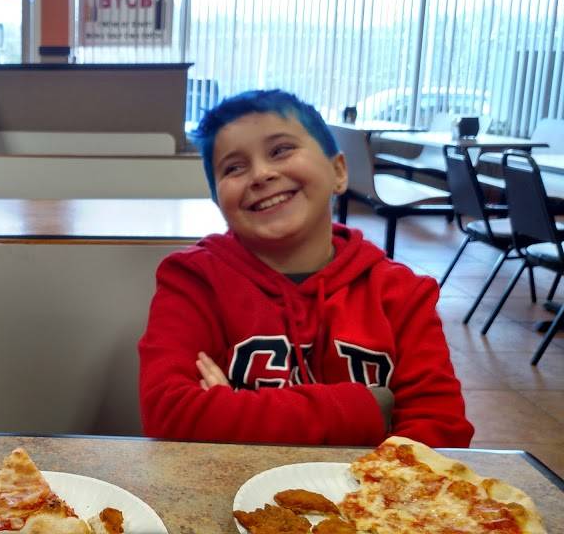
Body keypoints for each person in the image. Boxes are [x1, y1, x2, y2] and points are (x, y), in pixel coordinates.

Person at [138, 89, 473, 447]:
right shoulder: (193, 280)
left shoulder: (403, 294)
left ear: (338, 171)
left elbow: (441, 434)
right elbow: (168, 413)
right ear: (218, 201)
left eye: (281, 150)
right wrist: (369, 410)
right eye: (233, 168)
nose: (260, 174)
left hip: (368, 484)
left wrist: (231, 410)